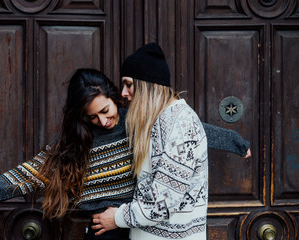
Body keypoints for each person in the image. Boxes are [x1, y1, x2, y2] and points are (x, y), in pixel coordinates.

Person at [0, 67, 249, 239]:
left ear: (115, 97)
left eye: (105, 110)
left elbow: (192, 129)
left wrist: (236, 143)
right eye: (92, 117)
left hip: (143, 228)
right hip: (104, 232)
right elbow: (20, 178)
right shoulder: (74, 142)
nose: (103, 121)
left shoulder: (138, 121)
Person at [92, 42, 247, 239]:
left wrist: (117, 218)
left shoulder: (180, 124)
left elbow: (162, 205)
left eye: (128, 84)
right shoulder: (158, 121)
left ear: (147, 84)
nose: (123, 93)